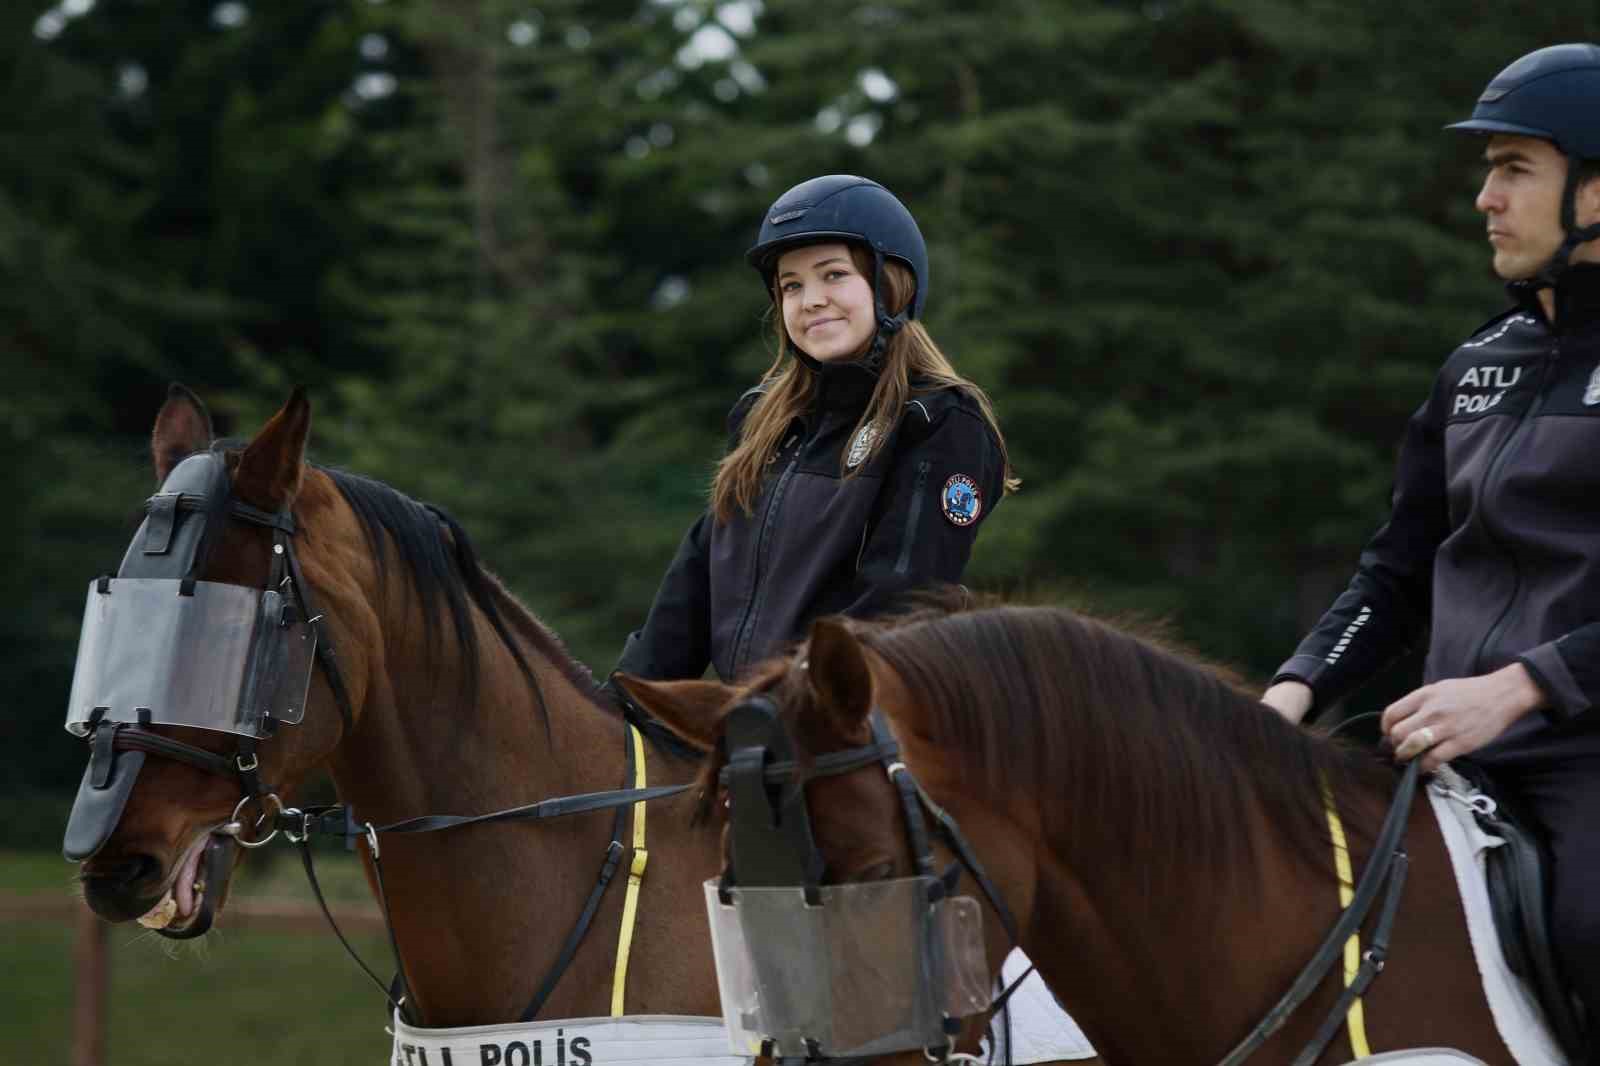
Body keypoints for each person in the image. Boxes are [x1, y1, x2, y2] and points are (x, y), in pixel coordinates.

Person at [1261, 43, 1600, 1044]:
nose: (1485, 200)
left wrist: (1520, 685)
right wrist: (1291, 692)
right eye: (1487, 172)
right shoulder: (1474, 369)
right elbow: (1395, 570)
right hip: (1452, 757)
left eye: (1514, 169)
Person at [609, 174, 1018, 687]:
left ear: (891, 282)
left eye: (833, 275)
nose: (811, 300)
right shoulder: (761, 422)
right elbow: (695, 584)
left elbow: (900, 608)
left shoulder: (938, 423)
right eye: (792, 285)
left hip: (851, 727)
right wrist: (631, 698)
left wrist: (785, 708)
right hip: (752, 722)